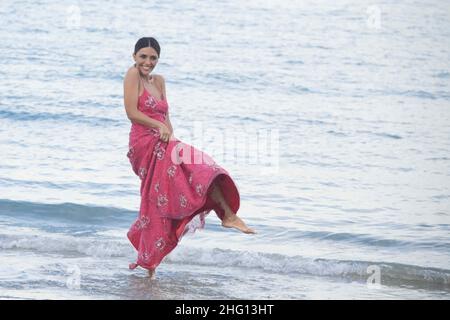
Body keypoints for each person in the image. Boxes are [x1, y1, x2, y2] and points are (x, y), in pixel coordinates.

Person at [123, 37, 256, 279]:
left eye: (153, 58)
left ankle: (227, 216)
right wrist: (158, 127)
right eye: (143, 56)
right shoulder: (132, 75)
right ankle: (227, 216)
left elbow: (166, 117)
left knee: (198, 173)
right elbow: (131, 112)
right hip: (144, 143)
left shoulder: (160, 81)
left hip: (164, 141)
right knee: (163, 193)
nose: (147, 62)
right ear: (134, 57)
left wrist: (171, 136)